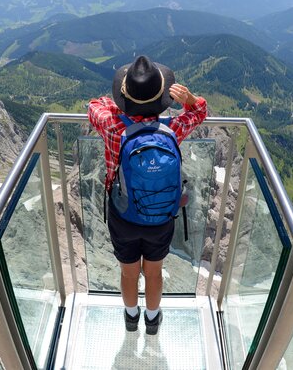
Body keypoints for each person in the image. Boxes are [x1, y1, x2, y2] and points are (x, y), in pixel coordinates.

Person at [88, 55, 207, 334]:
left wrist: (119, 100)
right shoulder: (172, 128)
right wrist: (189, 99)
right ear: (162, 98)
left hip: (123, 215)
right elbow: (200, 111)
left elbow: (95, 105)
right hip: (161, 217)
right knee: (153, 273)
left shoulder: (112, 126)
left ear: (124, 96)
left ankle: (131, 318)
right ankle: (152, 321)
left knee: (129, 273)